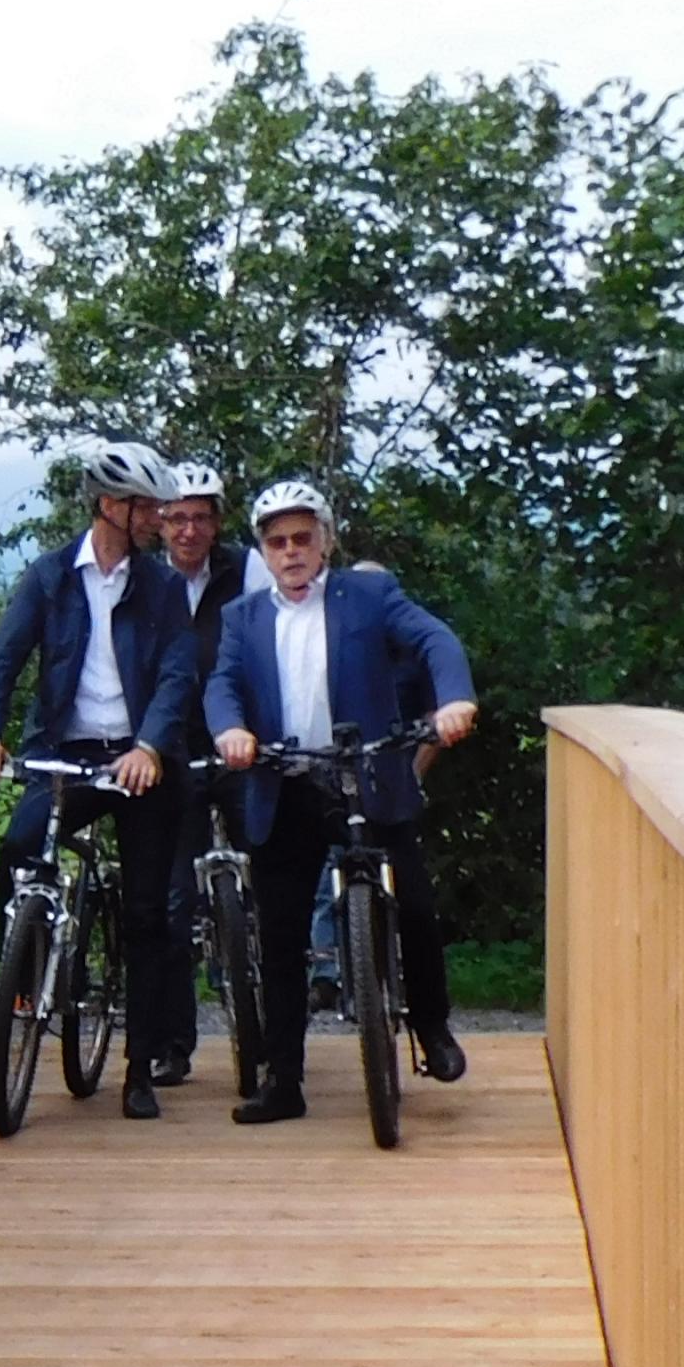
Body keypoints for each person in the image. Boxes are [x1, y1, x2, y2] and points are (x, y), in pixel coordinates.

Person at [203, 479, 478, 1125]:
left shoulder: (369, 595)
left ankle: (432, 1027)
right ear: (262, 551)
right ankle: (283, 1080)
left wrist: (454, 698)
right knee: (280, 936)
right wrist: (230, 730)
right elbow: (222, 684)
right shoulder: (243, 617)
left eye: (302, 538)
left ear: (324, 540)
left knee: (415, 903)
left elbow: (434, 639)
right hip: (285, 781)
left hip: (366, 774)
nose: (291, 551)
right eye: (277, 542)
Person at [0, 441, 202, 1120]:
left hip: (138, 760)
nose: (159, 518)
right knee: (19, 847)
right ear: (109, 505)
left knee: (148, 914)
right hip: (65, 753)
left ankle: (139, 1069)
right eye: (146, 507)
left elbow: (178, 674)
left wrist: (151, 745)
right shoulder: (50, 577)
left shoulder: (161, 587)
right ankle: (21, 979)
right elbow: (4, 658)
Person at [137, 462, 246, 1088]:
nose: (188, 530)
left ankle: (269, 1029)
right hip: (171, 751)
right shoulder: (144, 581)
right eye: (176, 518)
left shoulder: (247, 572)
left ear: (217, 522)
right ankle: (172, 1043)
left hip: (240, 744)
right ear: (159, 522)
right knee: (172, 901)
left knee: (271, 873)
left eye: (200, 517)